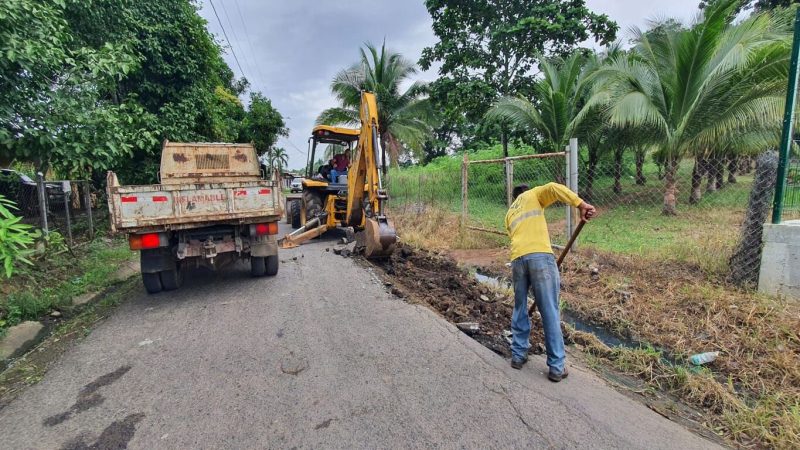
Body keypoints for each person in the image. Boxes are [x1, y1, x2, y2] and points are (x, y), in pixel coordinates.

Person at [505, 183, 596, 382]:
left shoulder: (510, 212)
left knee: (520, 307)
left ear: (514, 197)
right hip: (540, 257)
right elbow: (554, 188)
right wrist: (580, 204)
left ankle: (518, 356)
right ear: (526, 191)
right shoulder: (533, 194)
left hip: (517, 259)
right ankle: (556, 367)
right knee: (549, 311)